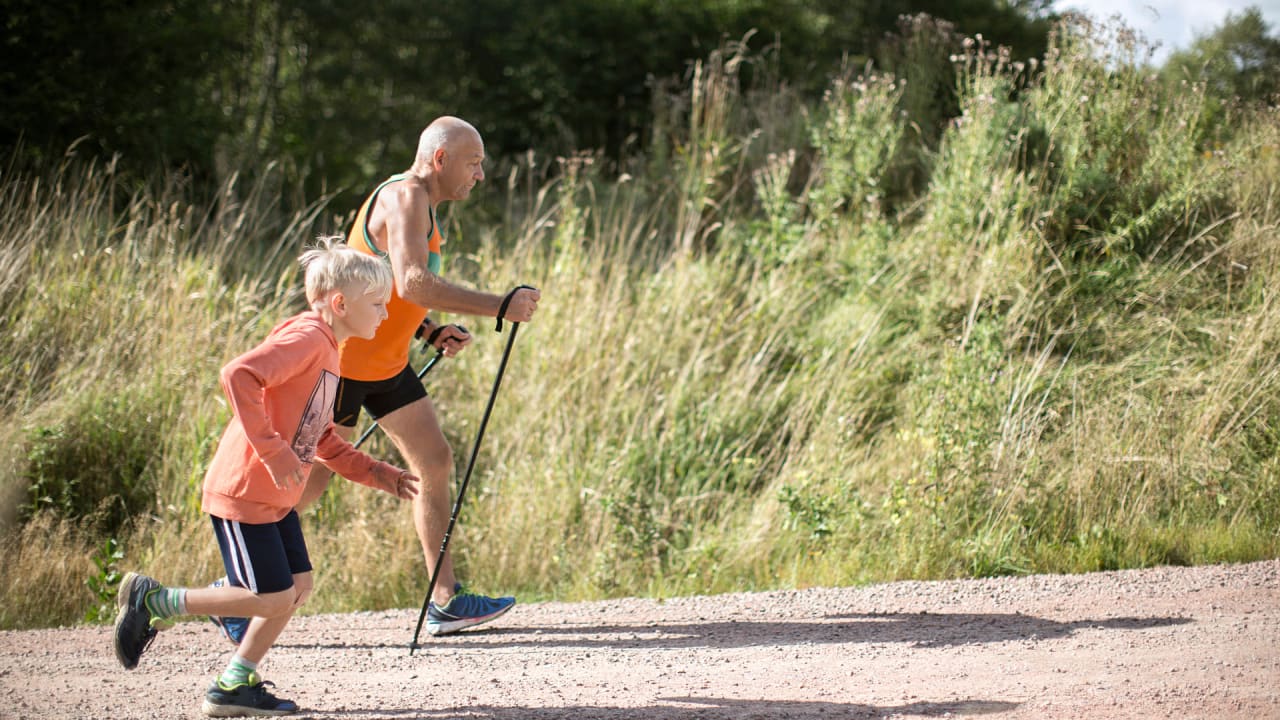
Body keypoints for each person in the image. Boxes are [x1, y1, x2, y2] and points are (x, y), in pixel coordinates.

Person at [206, 116, 541, 645]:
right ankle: (236, 589)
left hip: (387, 367)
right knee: (303, 486)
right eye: (473, 163)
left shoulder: (423, 205)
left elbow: (388, 287)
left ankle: (446, 601)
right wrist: (499, 306)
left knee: (435, 460)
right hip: (342, 370)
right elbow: (412, 279)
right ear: (440, 159)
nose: (480, 175)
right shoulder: (406, 196)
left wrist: (427, 330)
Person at [113, 238, 420, 717]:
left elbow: (320, 440)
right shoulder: (307, 339)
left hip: (275, 498)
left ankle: (234, 683)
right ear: (340, 304)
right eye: (377, 305)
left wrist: (380, 473)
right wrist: (274, 452)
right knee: (272, 596)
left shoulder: (330, 352)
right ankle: (156, 600)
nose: (384, 315)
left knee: (296, 587)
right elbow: (238, 374)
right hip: (246, 491)